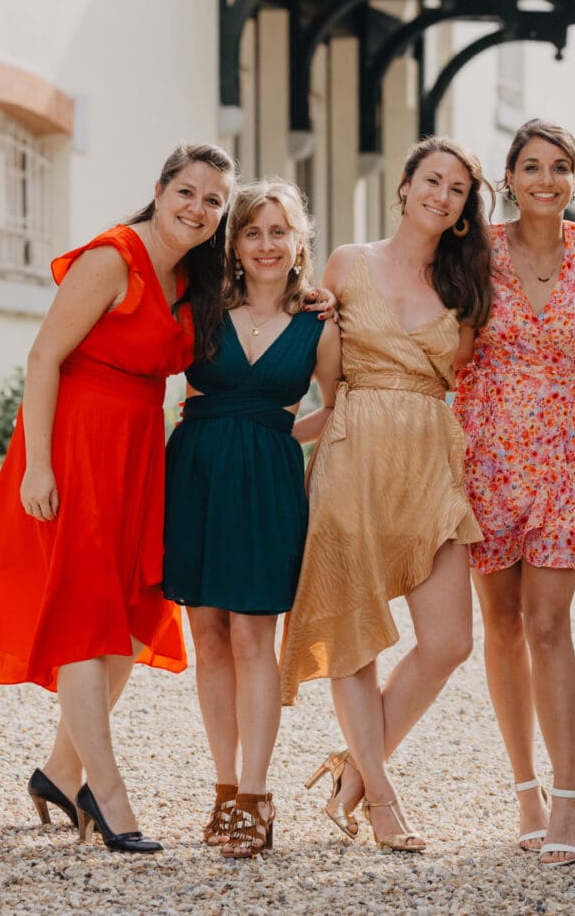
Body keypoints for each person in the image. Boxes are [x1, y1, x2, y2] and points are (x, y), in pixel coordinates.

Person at [0, 144, 236, 852]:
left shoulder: (196, 277)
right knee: (82, 612)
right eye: (186, 192)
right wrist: (38, 466)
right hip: (74, 444)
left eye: (213, 200)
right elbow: (43, 357)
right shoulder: (114, 257)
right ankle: (108, 790)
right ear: (158, 189)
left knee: (131, 611)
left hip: (135, 452)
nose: (197, 208)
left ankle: (60, 774)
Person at [279, 135, 493, 853]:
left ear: (465, 209)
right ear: (404, 186)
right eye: (431, 179)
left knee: (451, 641)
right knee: (352, 636)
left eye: (456, 188)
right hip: (352, 455)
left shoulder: (466, 287)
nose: (441, 194)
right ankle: (381, 798)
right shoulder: (347, 262)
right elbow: (316, 371)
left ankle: (354, 772)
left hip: (430, 460)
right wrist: (276, 430)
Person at [453, 119, 575, 866]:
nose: (545, 179)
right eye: (531, 166)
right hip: (485, 453)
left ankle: (566, 795)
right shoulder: (475, 251)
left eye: (559, 167)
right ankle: (522, 785)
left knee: (550, 622)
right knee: (499, 625)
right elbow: (429, 324)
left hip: (561, 452)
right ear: (510, 176)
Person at [162, 177, 339, 859]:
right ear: (233, 243)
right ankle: (224, 786)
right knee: (207, 636)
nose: (267, 244)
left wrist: (275, 434)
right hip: (198, 476)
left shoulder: (320, 324)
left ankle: (257, 798)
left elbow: (338, 404)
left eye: (279, 231)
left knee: (252, 639)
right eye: (253, 231)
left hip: (267, 484)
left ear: (300, 242)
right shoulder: (201, 307)